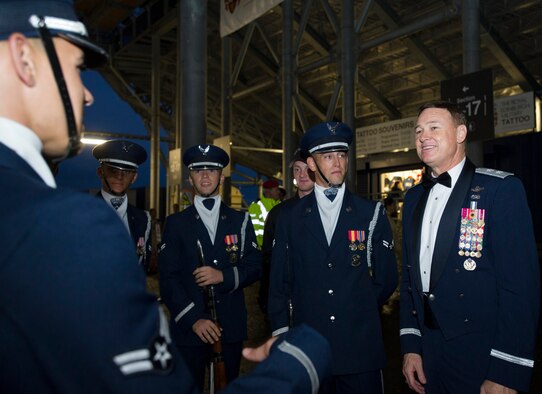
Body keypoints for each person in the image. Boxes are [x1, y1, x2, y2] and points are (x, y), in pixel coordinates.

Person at [0, 1, 333, 392]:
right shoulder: (67, 222)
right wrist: (302, 358)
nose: (88, 96)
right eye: (77, 68)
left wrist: (227, 276)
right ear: (23, 57)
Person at [400, 100, 540, 394]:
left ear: (461, 133)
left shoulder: (499, 191)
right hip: (430, 353)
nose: (423, 136)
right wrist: (411, 345)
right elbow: (409, 279)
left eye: (434, 128)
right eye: (418, 131)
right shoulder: (413, 198)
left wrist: (507, 371)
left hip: (481, 356)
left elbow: (520, 287)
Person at [268, 121, 398, 394]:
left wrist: (352, 306)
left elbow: (386, 279)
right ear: (312, 164)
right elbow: (279, 281)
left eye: (341, 155)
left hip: (359, 347)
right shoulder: (289, 217)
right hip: (309, 348)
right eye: (327, 157)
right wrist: (280, 333)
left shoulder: (370, 212)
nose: (337, 163)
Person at [159, 144, 262, 391]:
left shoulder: (241, 220)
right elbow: (168, 279)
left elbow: (254, 265)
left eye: (212, 170)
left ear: (221, 176)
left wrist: (223, 276)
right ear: (190, 177)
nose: (205, 176)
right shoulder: (175, 224)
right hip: (189, 329)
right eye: (198, 170)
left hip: (230, 326)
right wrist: (194, 319)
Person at [258, 148, 315, 315]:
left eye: (307, 169)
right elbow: (268, 259)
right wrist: (267, 300)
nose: (302, 174)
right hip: (289, 299)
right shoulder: (279, 213)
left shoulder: (329, 211)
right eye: (297, 169)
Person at [93, 139, 153, 272]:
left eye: (126, 172)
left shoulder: (143, 219)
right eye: (112, 170)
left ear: (134, 177)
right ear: (100, 172)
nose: (119, 177)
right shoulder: (83, 214)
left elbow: (143, 265)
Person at [248, 178, 281, 247]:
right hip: (262, 249)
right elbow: (254, 230)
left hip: (277, 248)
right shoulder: (256, 206)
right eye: (276, 190)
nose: (278, 192)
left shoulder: (280, 205)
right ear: (268, 192)